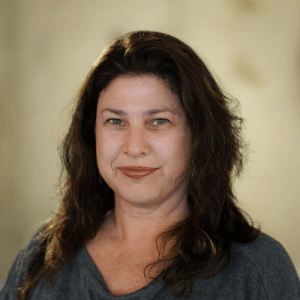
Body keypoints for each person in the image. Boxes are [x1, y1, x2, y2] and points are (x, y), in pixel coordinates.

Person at [1, 30, 299, 300]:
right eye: (115, 121)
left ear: (199, 135)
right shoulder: (42, 255)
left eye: (158, 121)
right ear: (91, 134)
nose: (134, 147)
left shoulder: (256, 269)